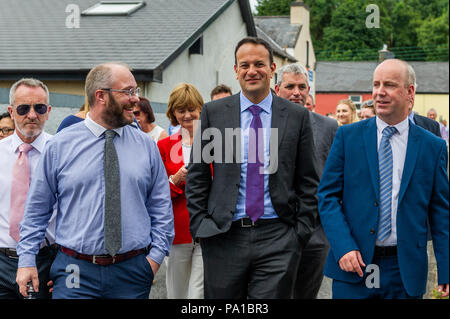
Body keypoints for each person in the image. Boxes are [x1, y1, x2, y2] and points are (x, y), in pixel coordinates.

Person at [15, 62, 174, 299]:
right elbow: (37, 209)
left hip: (132, 272)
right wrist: (26, 260)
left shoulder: (146, 146)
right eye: (128, 91)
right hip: (75, 271)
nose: (135, 99)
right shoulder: (60, 146)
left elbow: (161, 208)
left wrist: (153, 260)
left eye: (136, 91)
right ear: (100, 96)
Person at [185, 37, 320, 299]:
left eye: (259, 64)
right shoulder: (214, 113)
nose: (252, 70)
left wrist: (299, 233)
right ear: (236, 71)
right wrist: (201, 226)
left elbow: (308, 180)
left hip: (278, 236)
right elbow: (198, 175)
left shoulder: (296, 116)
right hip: (224, 235)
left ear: (272, 69)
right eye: (244, 65)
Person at [317, 59, 449, 299]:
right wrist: (343, 246)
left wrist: (447, 268)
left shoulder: (433, 147)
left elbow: (441, 212)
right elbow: (327, 197)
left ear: (410, 92)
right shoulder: (348, 137)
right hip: (354, 265)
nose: (379, 92)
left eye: (389, 85)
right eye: (376, 84)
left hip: (405, 270)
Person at [275, 63, 338, 299]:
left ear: (309, 90)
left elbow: (336, 179)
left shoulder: (329, 127)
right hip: (275, 232)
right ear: (277, 89)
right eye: (290, 86)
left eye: (302, 87)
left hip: (315, 234)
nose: (296, 92)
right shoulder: (263, 126)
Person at [0, 78, 57, 299]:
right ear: (11, 111)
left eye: (39, 108)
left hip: (45, 261)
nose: (32, 115)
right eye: (24, 108)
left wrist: (62, 263)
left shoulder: (62, 152)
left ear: (49, 111)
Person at [157, 83, 204, 299]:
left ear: (200, 109)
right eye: (181, 110)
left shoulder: (214, 143)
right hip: (177, 231)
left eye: (191, 109)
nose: (187, 115)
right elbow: (156, 193)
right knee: (177, 293)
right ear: (173, 113)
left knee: (198, 295)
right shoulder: (164, 146)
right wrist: (175, 180)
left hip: (207, 231)